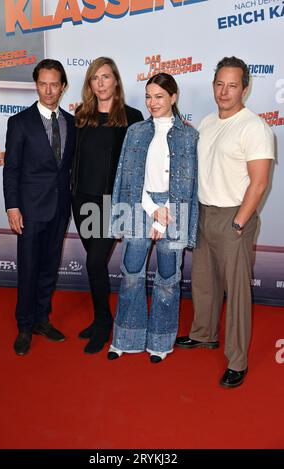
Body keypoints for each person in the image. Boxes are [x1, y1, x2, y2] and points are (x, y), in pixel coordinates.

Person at [175, 56, 275, 387]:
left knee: (237, 294)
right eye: (219, 84)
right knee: (204, 283)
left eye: (232, 85)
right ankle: (204, 334)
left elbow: (259, 183)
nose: (224, 91)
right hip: (204, 213)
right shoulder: (206, 122)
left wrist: (239, 223)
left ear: (245, 89)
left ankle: (238, 360)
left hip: (235, 218)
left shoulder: (255, 127)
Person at [107, 72, 199, 363]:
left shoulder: (189, 135)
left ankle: (160, 341)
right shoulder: (135, 131)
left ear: (173, 97)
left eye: (159, 96)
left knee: (168, 278)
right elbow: (128, 178)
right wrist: (150, 210)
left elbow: (188, 184)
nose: (152, 102)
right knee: (131, 274)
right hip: (139, 206)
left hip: (174, 211)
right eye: (148, 96)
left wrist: (163, 218)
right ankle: (125, 337)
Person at [3, 59, 76, 355]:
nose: (48, 90)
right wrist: (13, 207)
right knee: (29, 268)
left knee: (49, 268)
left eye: (54, 84)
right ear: (36, 85)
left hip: (60, 208)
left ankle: (42, 319)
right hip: (30, 210)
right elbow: (11, 169)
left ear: (62, 87)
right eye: (43, 83)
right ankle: (24, 325)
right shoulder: (19, 122)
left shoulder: (71, 122)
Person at [71, 57, 143, 354]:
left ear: (116, 81)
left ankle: (102, 324)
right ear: (90, 84)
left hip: (110, 204)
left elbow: (144, 156)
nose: (100, 83)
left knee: (94, 262)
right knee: (95, 265)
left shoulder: (132, 116)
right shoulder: (81, 114)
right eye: (95, 78)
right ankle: (101, 316)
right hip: (82, 200)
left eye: (106, 77)